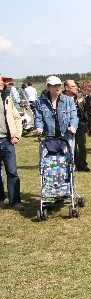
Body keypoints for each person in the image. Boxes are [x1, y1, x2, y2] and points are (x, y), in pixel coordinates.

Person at [34, 75, 78, 154]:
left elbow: (74, 116)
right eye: (54, 86)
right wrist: (39, 127)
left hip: (66, 137)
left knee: (67, 160)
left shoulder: (68, 100)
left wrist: (73, 126)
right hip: (50, 138)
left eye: (59, 86)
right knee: (51, 160)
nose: (57, 88)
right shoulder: (40, 102)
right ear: (48, 87)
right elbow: (38, 117)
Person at [0, 76, 24, 210]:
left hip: (7, 141)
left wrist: (17, 135)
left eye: (2, 81)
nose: (2, 82)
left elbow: (17, 118)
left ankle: (15, 201)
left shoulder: (7, 99)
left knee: (12, 172)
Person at [64, 79, 90, 172]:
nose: (76, 88)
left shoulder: (80, 97)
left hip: (80, 123)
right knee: (71, 145)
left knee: (82, 145)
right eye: (73, 86)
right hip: (67, 125)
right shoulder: (61, 98)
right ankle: (76, 163)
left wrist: (86, 121)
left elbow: (85, 109)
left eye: (76, 86)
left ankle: (83, 164)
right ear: (66, 88)